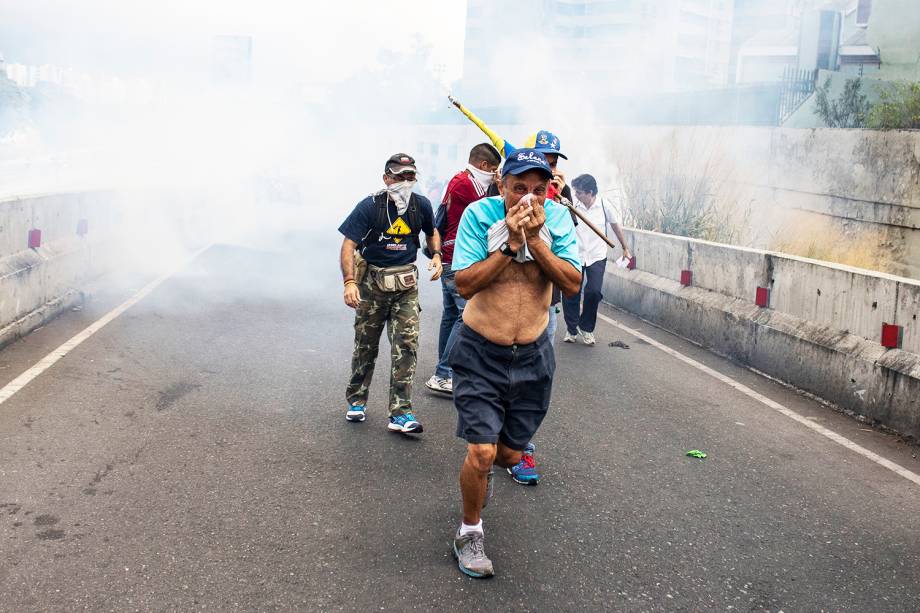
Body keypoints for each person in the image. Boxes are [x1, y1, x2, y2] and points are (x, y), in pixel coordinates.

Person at [448, 149, 581, 577]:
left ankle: (484, 475)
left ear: (549, 191)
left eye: (538, 190)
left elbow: (572, 284)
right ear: (501, 185)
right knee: (482, 451)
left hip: (532, 357)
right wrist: (508, 243)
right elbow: (465, 284)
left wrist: (536, 241)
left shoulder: (557, 220)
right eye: (519, 188)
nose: (528, 199)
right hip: (480, 351)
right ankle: (469, 531)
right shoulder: (477, 215)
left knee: (507, 456)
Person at [338, 153, 442, 434]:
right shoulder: (370, 206)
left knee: (406, 345)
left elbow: (432, 232)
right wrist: (349, 282)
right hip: (371, 286)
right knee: (366, 346)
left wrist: (436, 255)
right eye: (399, 176)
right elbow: (348, 246)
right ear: (387, 178)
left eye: (410, 176)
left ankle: (401, 412)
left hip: (406, 288)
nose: (405, 182)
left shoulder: (420, 205)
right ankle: (357, 400)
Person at [425, 143, 501, 395]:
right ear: (483, 166)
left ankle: (444, 371)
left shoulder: (465, 180)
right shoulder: (464, 185)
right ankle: (444, 372)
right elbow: (488, 210)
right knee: (465, 316)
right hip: (457, 258)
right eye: (493, 170)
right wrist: (500, 186)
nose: (495, 174)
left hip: (451, 257)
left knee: (450, 315)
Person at [562, 174, 632, 346]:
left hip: (597, 255)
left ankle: (586, 328)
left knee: (593, 291)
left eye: (579, 192)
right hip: (575, 254)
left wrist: (624, 246)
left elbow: (615, 226)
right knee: (571, 291)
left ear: (590, 192)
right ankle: (571, 329)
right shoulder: (572, 205)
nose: (576, 195)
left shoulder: (603, 205)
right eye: (575, 192)